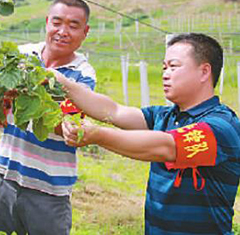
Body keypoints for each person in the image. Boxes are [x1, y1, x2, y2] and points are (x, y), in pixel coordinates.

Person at [56, 33, 240, 234]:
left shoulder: (221, 126)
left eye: (174, 66)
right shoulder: (165, 116)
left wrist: (97, 135)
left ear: (204, 71)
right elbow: (114, 111)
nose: (165, 74)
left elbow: (167, 146)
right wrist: (62, 82)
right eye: (164, 67)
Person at [0, 0, 96, 235]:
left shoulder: (82, 75)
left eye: (73, 25)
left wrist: (31, 95)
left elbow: (68, 126)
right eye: (57, 22)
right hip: (6, 175)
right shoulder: (22, 55)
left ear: (85, 32)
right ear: (47, 22)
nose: (62, 31)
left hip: (49, 188)